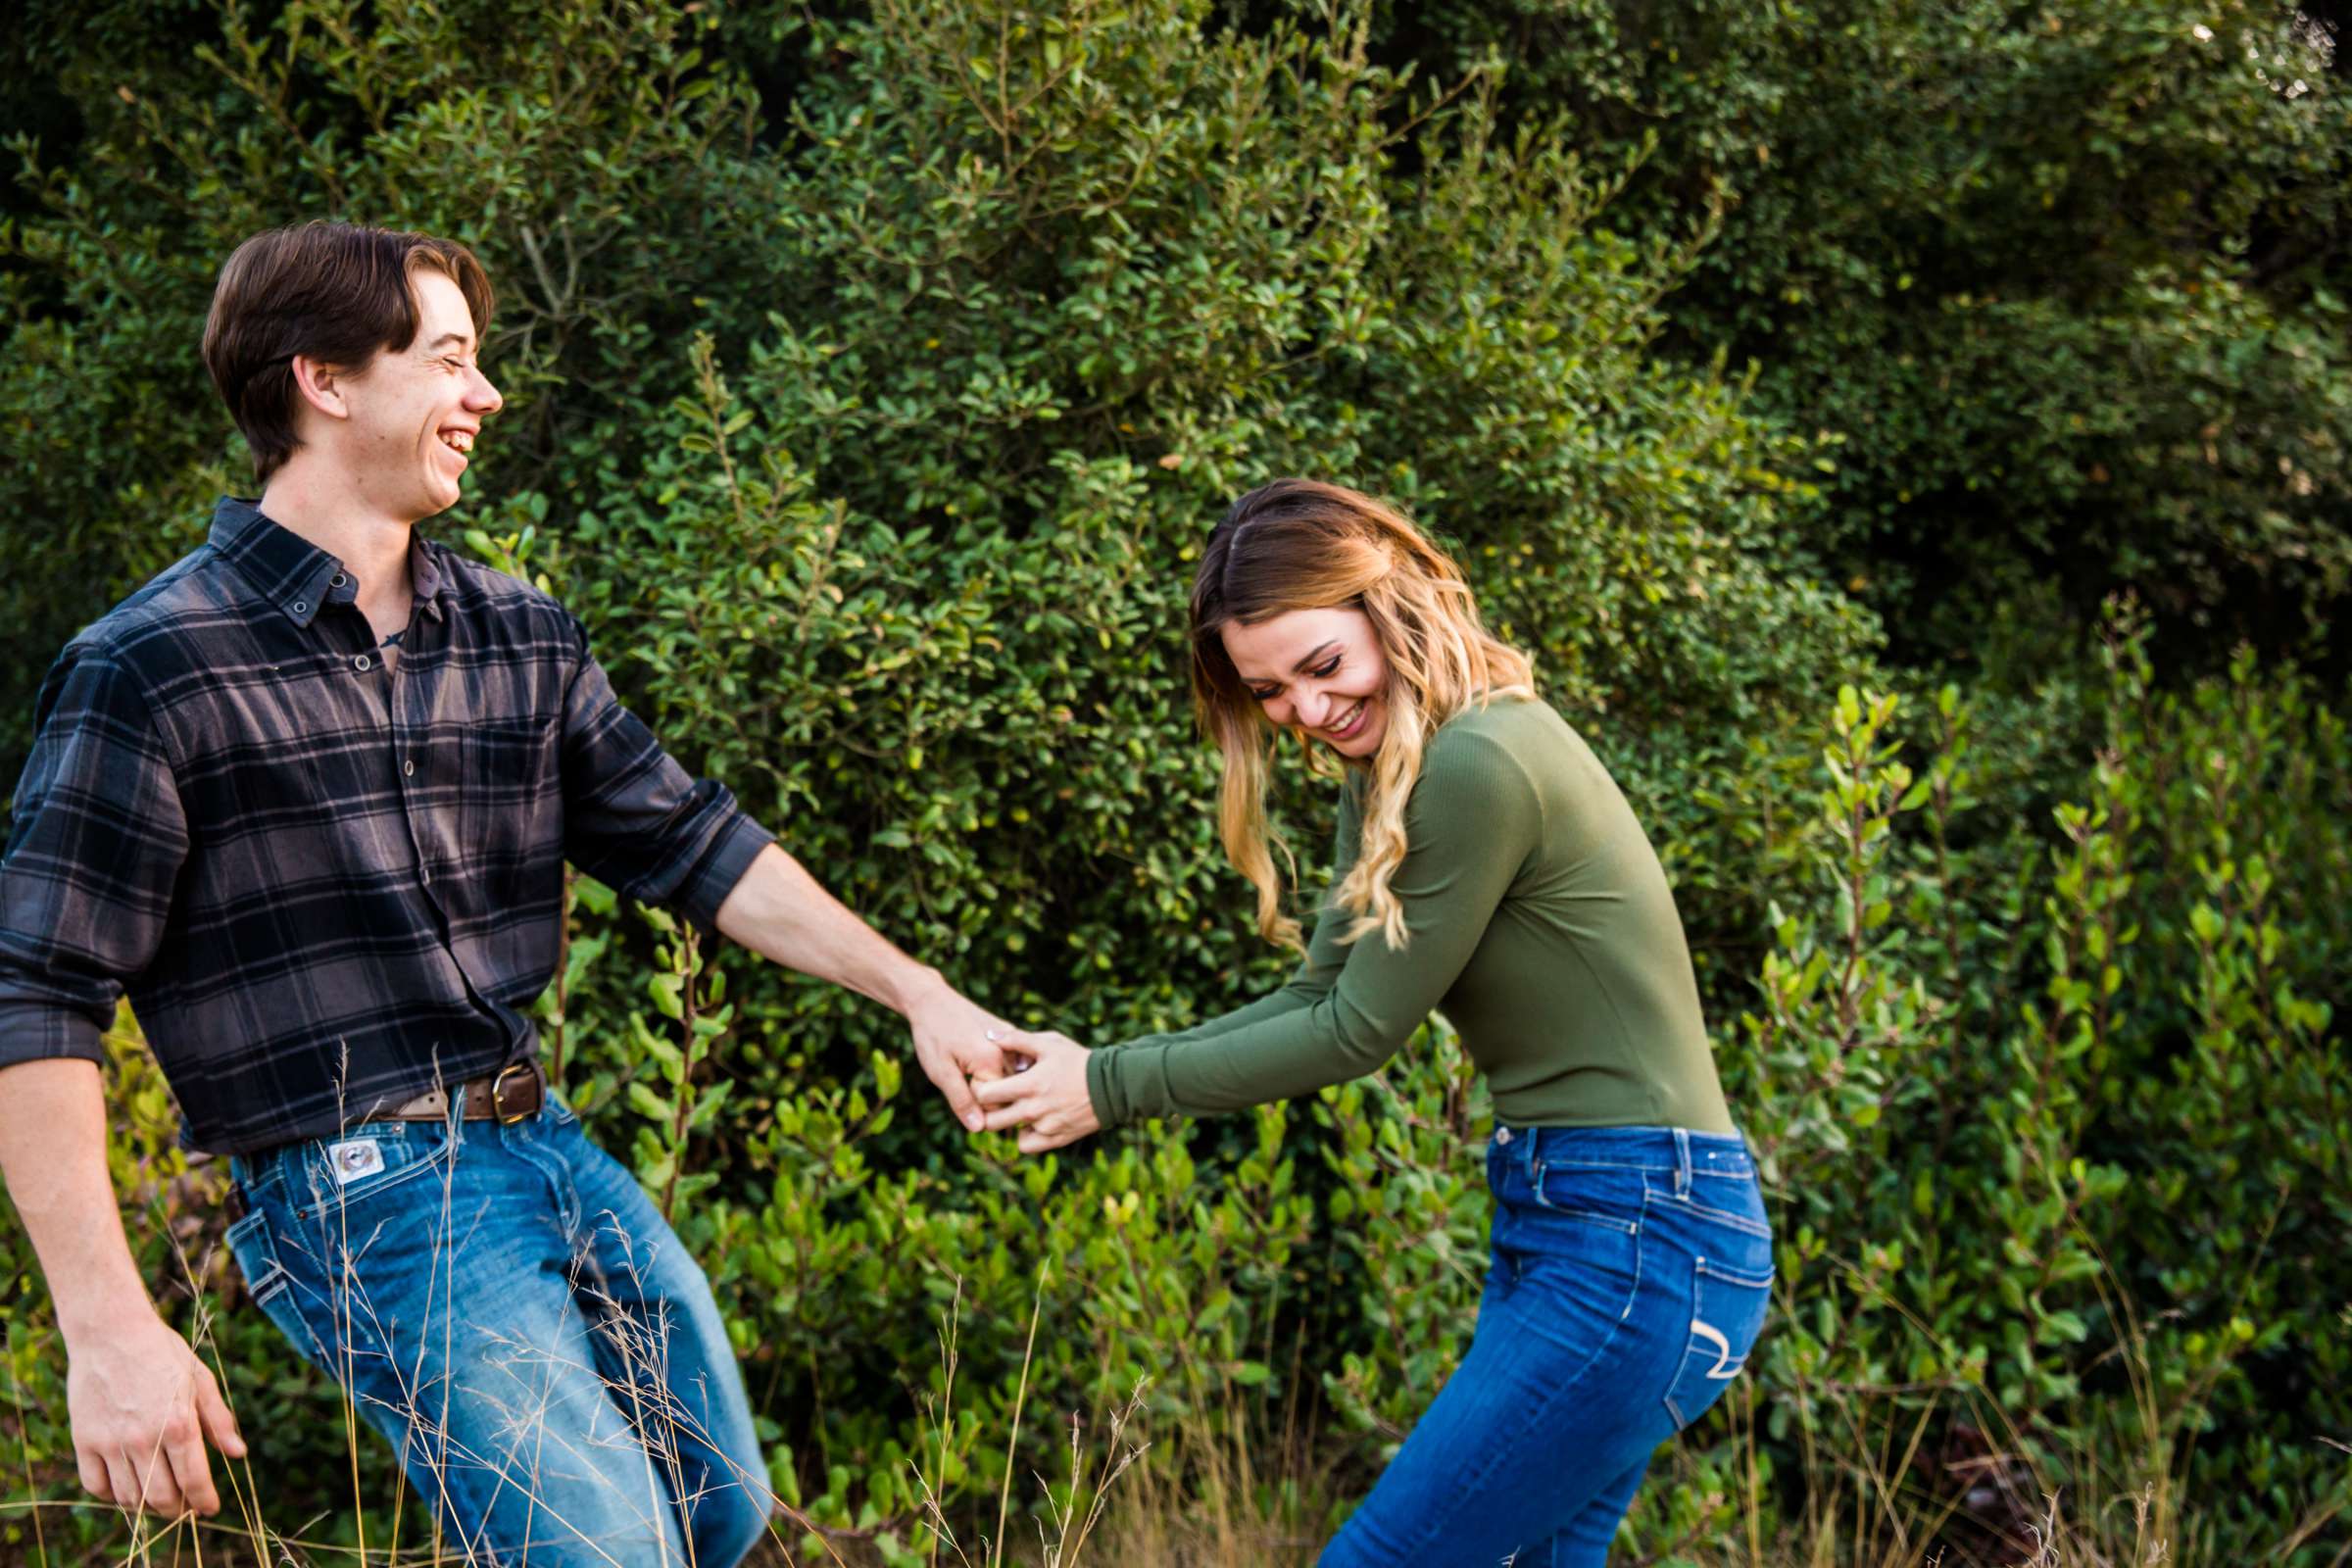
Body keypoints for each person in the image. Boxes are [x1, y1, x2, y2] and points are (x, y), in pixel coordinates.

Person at [0, 220, 1011, 1565]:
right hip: (361, 1192)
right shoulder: (151, 666)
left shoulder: (516, 631)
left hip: (546, 1145)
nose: (486, 397)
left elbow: (690, 840)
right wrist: (108, 1326)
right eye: (453, 360)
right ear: (327, 380)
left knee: (724, 1523)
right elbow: (38, 989)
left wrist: (917, 991)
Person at [975, 478, 1775, 1566]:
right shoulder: (1399, 765)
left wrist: (1108, 1084)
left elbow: (1355, 1035)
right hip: (1587, 1218)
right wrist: (1092, 1071)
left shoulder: (1474, 763)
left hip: (1638, 1231)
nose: (1307, 710)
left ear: (1389, 607)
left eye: (1322, 666)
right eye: (1270, 690)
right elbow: (1318, 999)